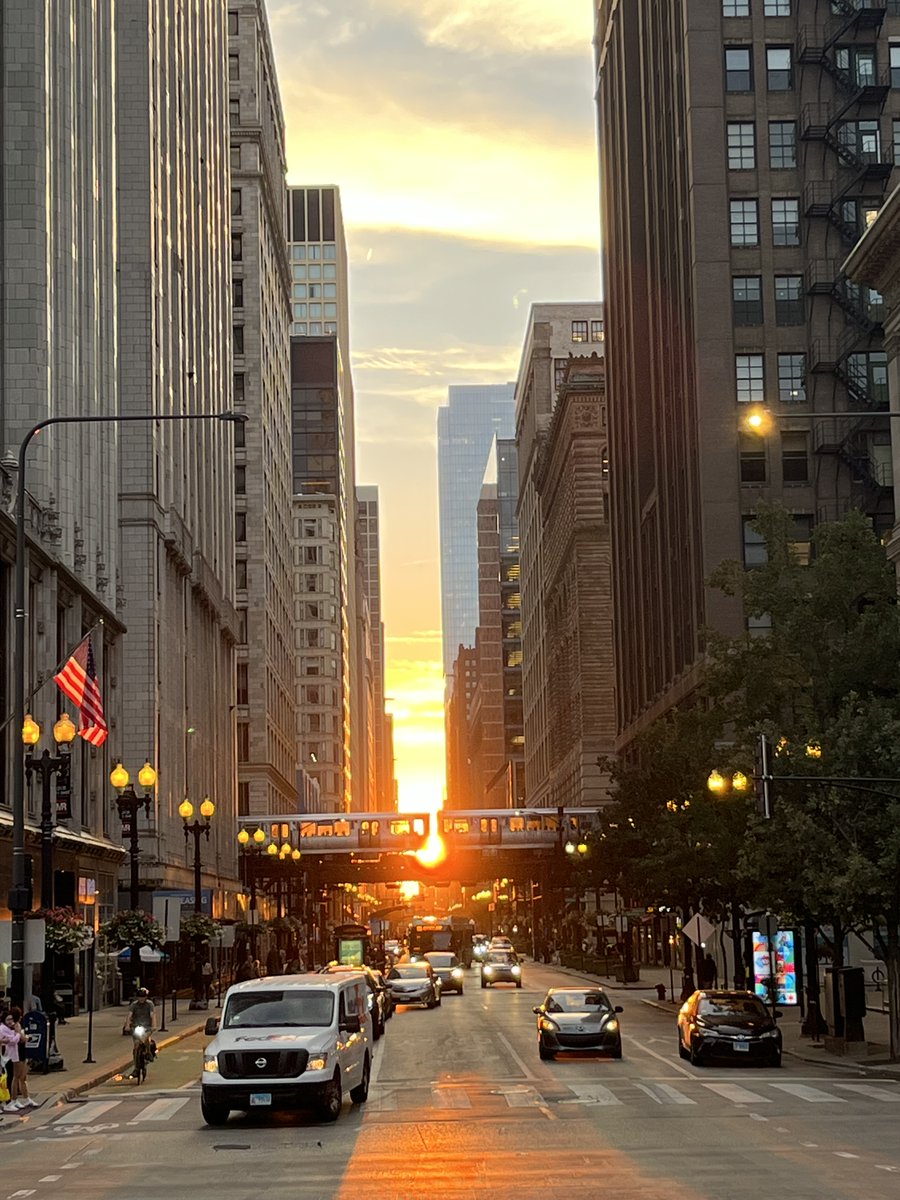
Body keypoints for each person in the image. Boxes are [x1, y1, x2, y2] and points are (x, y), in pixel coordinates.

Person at [0, 1008, 35, 1111]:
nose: (10, 1021)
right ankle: (11, 1100)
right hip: (11, 1055)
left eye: (11, 1019)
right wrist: (20, 1034)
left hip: (15, 1054)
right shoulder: (9, 1028)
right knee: (14, 1077)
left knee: (19, 1077)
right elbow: (15, 1040)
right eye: (8, 1019)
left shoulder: (11, 1028)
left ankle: (18, 1099)